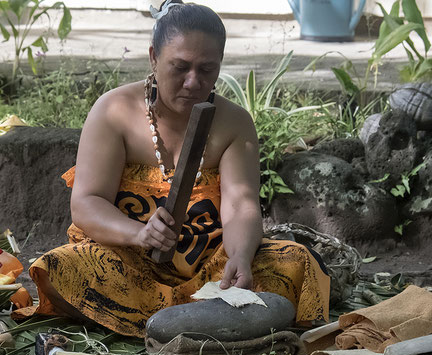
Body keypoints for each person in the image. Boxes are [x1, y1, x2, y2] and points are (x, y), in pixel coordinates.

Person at [20, 0, 330, 337]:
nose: (193, 81)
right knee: (62, 267)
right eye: (179, 67)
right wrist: (139, 234)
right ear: (153, 56)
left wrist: (239, 256)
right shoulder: (113, 111)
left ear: (221, 64)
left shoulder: (235, 122)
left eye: (207, 69)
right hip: (126, 259)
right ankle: (211, 323)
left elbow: (241, 205)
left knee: (297, 262)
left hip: (211, 264)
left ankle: (178, 320)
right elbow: (87, 202)